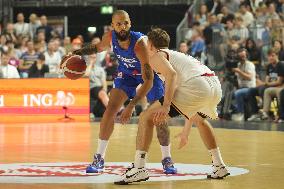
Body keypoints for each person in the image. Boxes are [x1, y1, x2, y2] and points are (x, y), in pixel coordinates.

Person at [115, 28, 230, 185]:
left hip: (197, 85)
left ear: (150, 44)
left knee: (146, 117)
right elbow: (190, 103)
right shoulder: (178, 55)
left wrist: (166, 105)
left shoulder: (157, 55)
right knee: (200, 120)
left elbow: (171, 75)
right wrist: (186, 131)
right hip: (214, 86)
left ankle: (139, 168)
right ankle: (219, 165)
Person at [71, 10, 176, 174]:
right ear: (112, 25)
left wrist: (130, 105)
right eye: (119, 24)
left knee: (158, 117)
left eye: (125, 23)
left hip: (148, 75)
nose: (122, 27)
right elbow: (96, 47)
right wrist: (77, 53)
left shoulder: (139, 44)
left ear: (130, 23)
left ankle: (167, 157)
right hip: (127, 74)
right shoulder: (110, 37)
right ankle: (99, 157)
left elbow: (147, 81)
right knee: (110, 110)